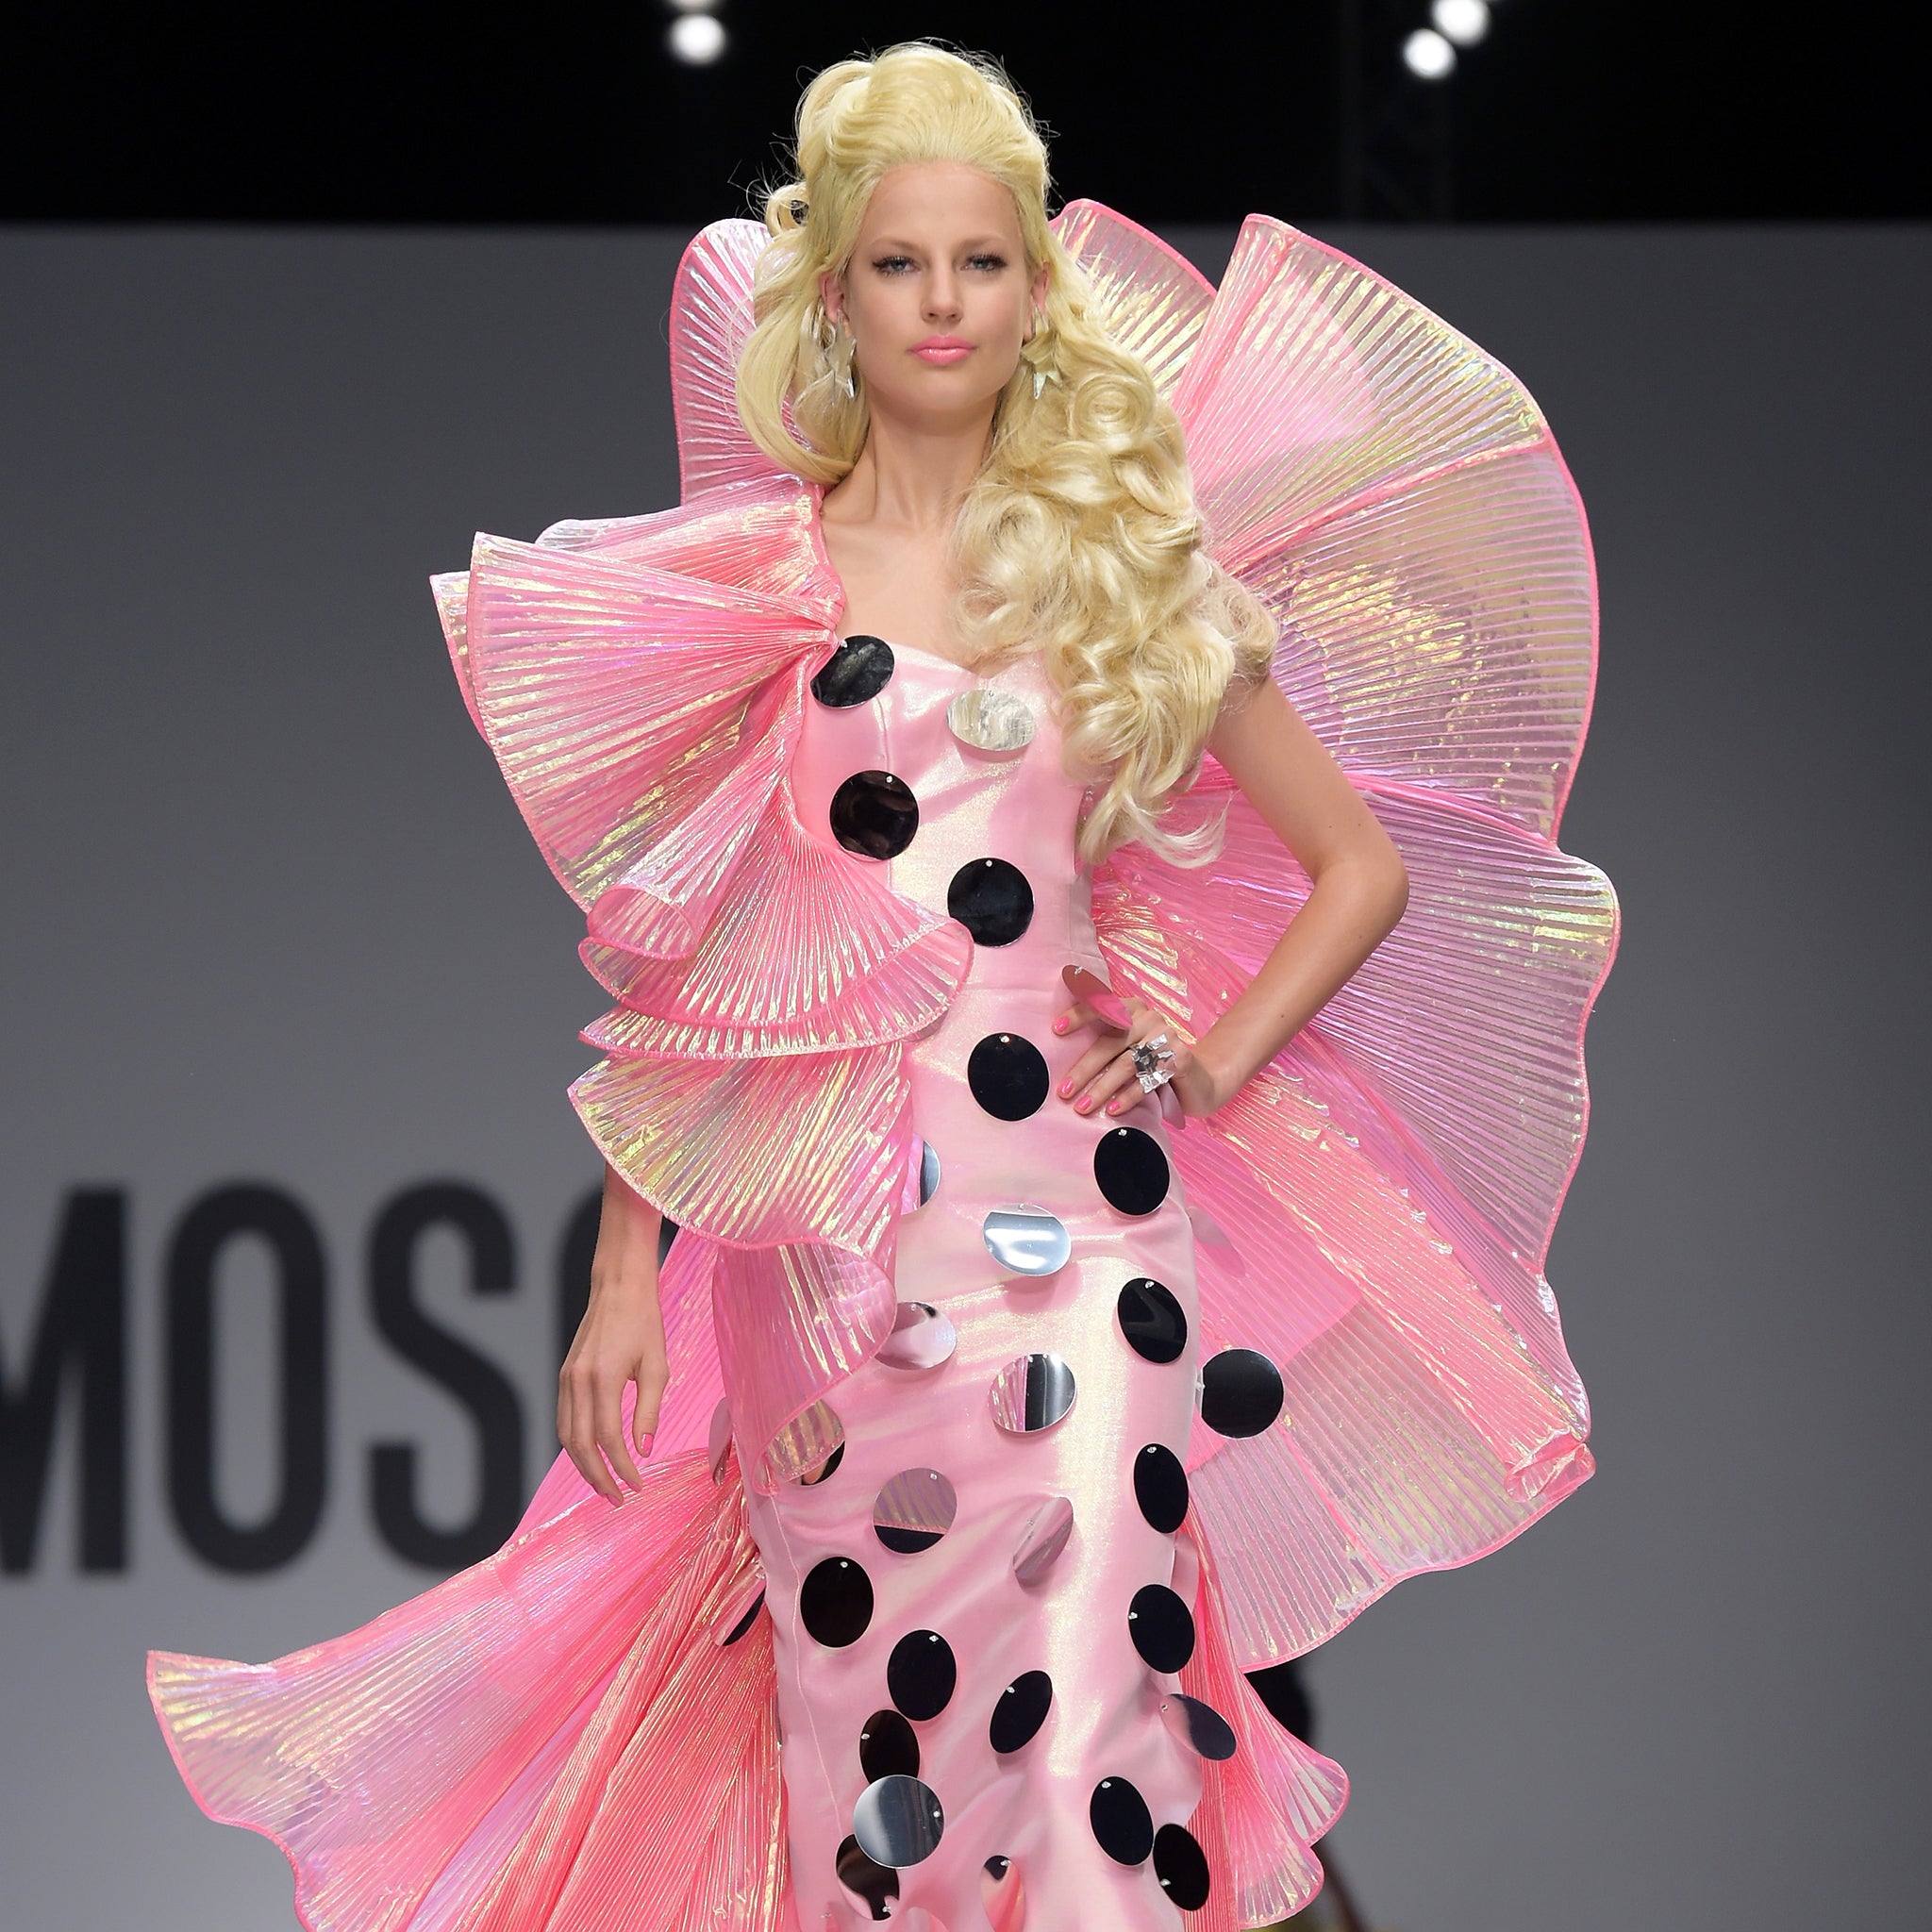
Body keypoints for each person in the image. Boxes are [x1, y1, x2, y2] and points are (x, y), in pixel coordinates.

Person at [148, 42, 1617, 1932]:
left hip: (1076, 1228)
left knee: (1100, 1698)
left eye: (981, 264)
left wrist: (1202, 1056)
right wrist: (619, 1287)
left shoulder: (1120, 571)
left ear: (1032, 289)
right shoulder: (757, 587)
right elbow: (699, 963)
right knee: (881, 1768)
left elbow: (1365, 867)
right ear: (832, 290)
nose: (943, 304)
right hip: (825, 1262)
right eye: (902, 265)